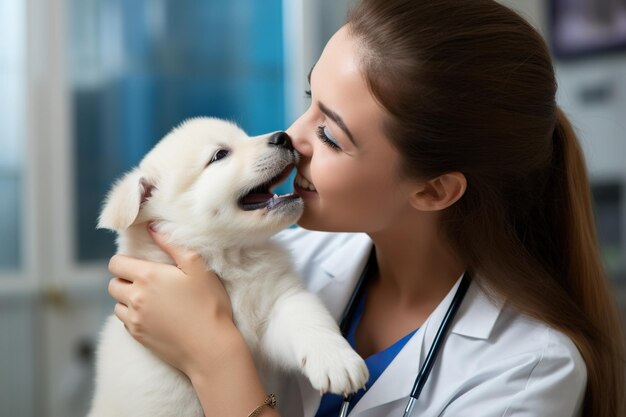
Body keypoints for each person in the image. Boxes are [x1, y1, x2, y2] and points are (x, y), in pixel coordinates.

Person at [106, 0, 625, 416]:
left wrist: (214, 358)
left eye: (330, 134)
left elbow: (218, 351)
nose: (295, 136)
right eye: (310, 97)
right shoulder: (294, 250)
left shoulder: (527, 374)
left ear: (434, 190)